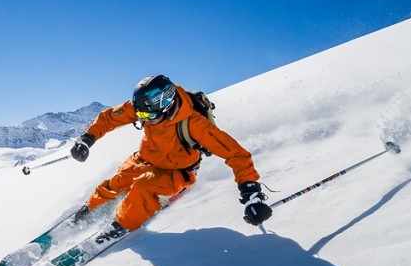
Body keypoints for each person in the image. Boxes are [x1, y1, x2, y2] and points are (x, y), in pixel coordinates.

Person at [70, 75, 271, 240]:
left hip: (177, 172)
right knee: (118, 182)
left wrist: (251, 195)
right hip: (145, 158)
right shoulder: (145, 106)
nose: (143, 119)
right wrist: (87, 139)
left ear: (167, 106)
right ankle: (90, 210)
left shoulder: (194, 124)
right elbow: (109, 118)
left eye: (148, 117)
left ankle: (120, 224)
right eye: (140, 116)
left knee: (143, 186)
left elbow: (236, 154)